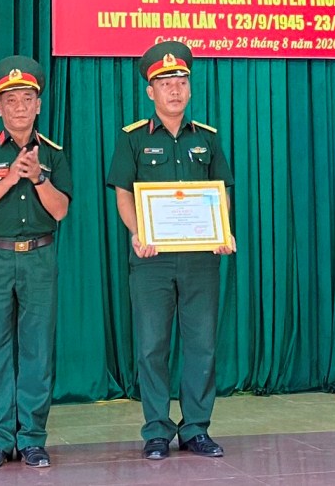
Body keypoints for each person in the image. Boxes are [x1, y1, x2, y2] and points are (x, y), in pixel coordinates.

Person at [105, 41, 236, 461]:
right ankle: (157, 430)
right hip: (152, 259)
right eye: (165, 84)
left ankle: (196, 428)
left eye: (181, 81)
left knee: (202, 345)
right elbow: (123, 194)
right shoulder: (132, 139)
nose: (174, 90)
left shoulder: (208, 139)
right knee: (151, 346)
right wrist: (137, 232)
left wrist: (223, 230)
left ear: (190, 88)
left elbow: (221, 192)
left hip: (200, 260)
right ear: (151, 92)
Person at [0, 56, 72, 470]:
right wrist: (9, 178)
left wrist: (38, 177)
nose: (20, 107)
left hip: (39, 257)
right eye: (11, 100)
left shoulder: (54, 154)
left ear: (38, 104)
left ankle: (32, 439)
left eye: (27, 99)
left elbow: (60, 210)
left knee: (37, 351)